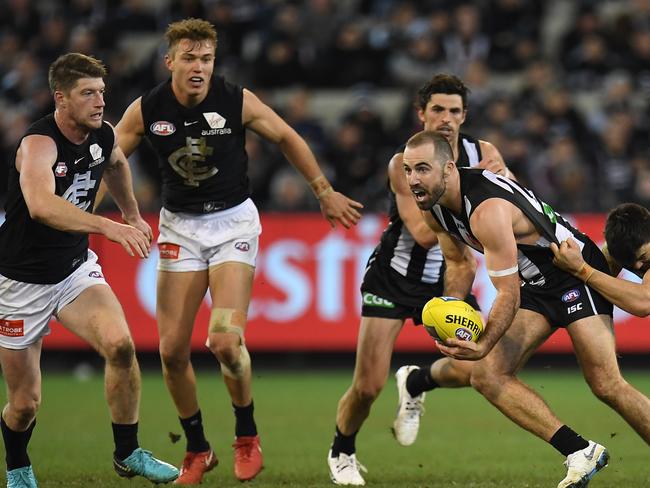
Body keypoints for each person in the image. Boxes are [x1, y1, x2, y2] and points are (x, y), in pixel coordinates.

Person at [115, 18, 363, 485]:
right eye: (189, 58)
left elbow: (287, 135)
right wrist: (99, 211)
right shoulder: (147, 108)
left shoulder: (235, 100)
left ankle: (246, 435)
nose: (198, 67)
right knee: (170, 353)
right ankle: (197, 448)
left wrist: (323, 190)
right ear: (169, 61)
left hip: (232, 226)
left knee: (225, 341)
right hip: (179, 228)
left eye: (206, 59)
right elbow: (108, 157)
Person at [402, 131, 650, 488]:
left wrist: (484, 342)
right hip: (537, 285)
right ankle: (579, 451)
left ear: (449, 168)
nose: (413, 180)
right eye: (408, 170)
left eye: (422, 169)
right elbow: (460, 264)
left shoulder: (486, 210)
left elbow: (508, 292)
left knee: (606, 384)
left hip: (570, 272)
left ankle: (418, 379)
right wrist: (451, 308)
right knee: (486, 375)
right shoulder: (435, 208)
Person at [0, 53, 179, 488]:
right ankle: (18, 466)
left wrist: (133, 215)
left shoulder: (103, 134)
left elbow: (116, 164)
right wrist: (109, 226)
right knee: (25, 403)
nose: (99, 101)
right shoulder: (38, 145)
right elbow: (42, 207)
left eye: (102, 92)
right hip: (19, 282)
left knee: (120, 345)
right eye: (88, 93)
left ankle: (127, 452)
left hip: (73, 271)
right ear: (60, 98)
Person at [327, 73, 509, 486]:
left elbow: (510, 202)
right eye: (438, 109)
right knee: (368, 385)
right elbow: (426, 233)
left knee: (478, 369)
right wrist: (475, 183)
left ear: (465, 116)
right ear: (421, 114)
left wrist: (504, 179)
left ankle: (416, 381)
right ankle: (342, 450)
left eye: (455, 111)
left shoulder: (483, 152)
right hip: (394, 277)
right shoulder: (402, 163)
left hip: (451, 275)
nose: (446, 118)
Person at [551, 202, 650, 317]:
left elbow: (645, 302)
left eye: (642, 256)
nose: (638, 266)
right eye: (631, 262)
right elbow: (586, 291)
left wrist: (581, 270)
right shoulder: (616, 250)